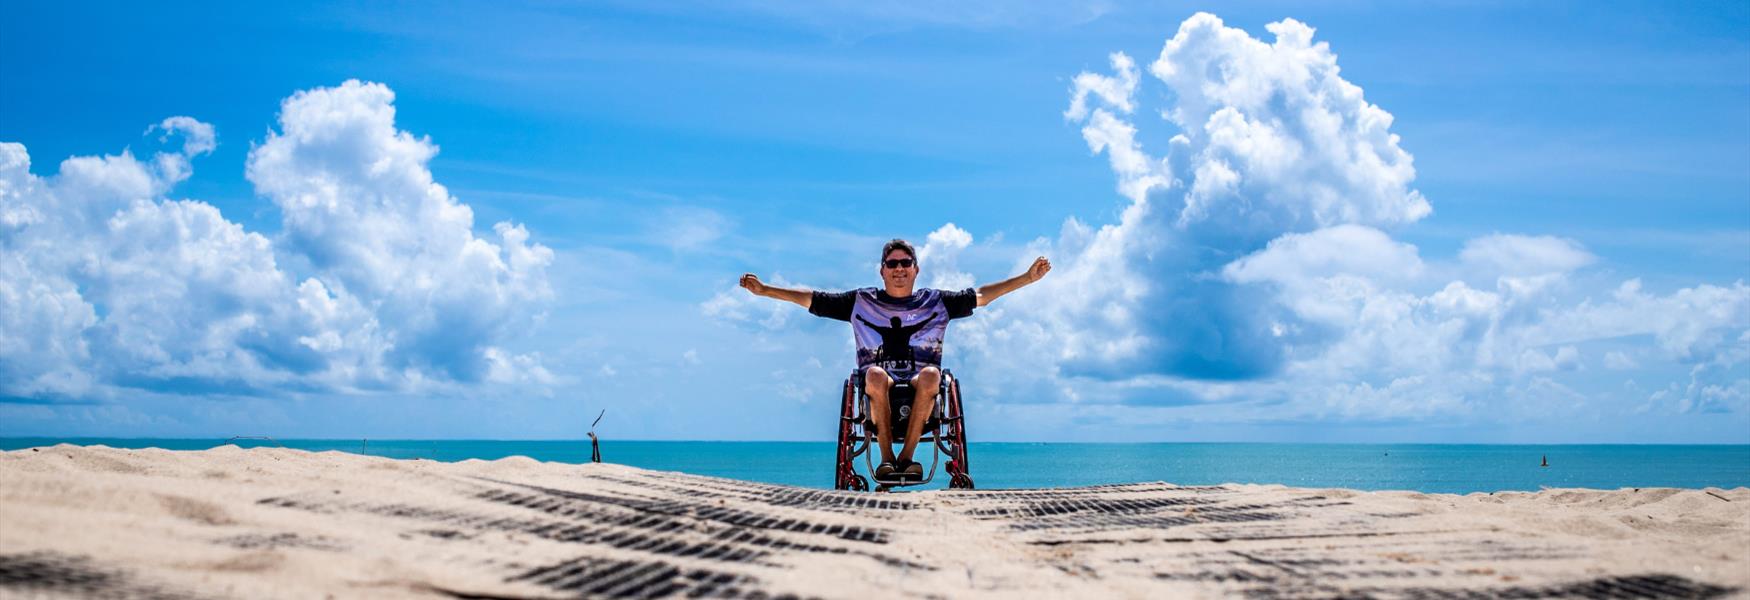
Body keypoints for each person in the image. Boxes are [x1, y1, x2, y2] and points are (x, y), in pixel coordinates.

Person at [740, 238, 1050, 481]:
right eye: (892, 263)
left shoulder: (935, 302)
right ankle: (887, 459)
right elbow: (813, 299)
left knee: (932, 375)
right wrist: (765, 290)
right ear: (882, 270)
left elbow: (981, 296)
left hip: (921, 385)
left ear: (916, 269)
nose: (898, 268)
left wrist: (1026, 278)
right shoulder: (862, 301)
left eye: (905, 262)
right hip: (878, 384)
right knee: (873, 374)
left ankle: (907, 458)